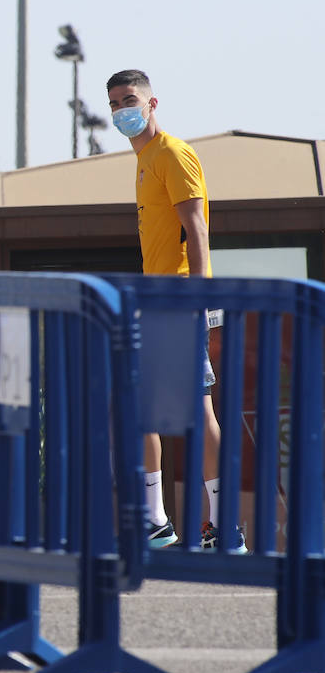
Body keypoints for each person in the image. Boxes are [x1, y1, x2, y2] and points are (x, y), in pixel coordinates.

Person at [106, 69, 246, 553]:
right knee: (142, 409)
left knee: (196, 411)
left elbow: (197, 228)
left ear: (152, 103)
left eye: (130, 100)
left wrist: (199, 298)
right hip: (156, 303)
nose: (123, 110)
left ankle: (223, 526)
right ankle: (159, 523)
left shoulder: (171, 152)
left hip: (179, 301)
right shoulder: (145, 160)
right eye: (116, 104)